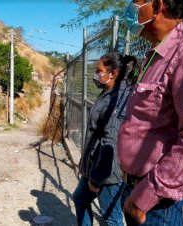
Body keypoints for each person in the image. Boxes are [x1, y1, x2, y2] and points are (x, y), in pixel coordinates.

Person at [118, 0, 183, 225]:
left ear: (158, 6)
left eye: (136, 2)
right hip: (140, 192)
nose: (131, 8)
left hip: (162, 205)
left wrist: (144, 198)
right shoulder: (159, 53)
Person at [73, 52, 138, 226]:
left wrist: (97, 178)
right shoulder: (109, 92)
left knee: (111, 216)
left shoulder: (118, 100)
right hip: (94, 166)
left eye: (99, 70)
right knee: (80, 199)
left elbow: (111, 141)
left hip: (107, 171)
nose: (96, 74)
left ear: (113, 73)